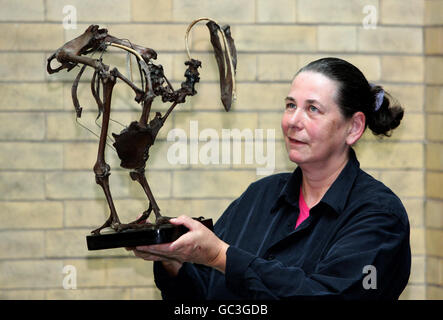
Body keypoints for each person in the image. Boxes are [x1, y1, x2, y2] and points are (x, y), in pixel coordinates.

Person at [127, 57, 411, 300]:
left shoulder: (379, 215)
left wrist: (219, 256)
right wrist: (177, 261)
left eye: (313, 109)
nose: (293, 121)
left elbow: (325, 295)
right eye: (290, 105)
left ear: (354, 127)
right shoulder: (260, 195)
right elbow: (210, 295)